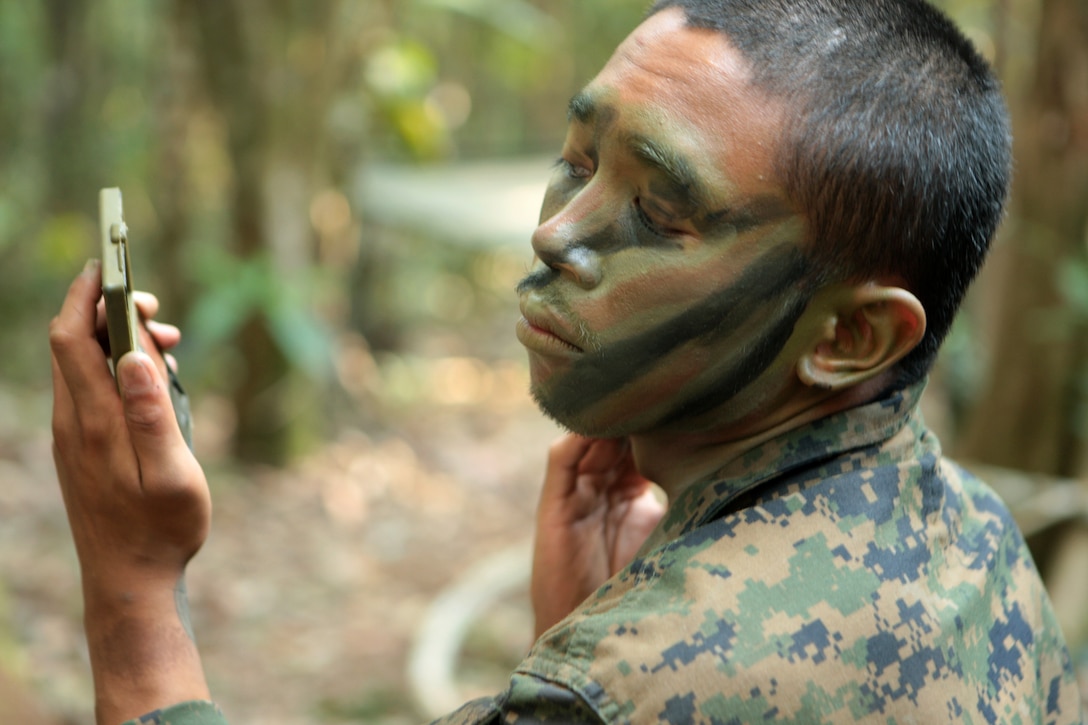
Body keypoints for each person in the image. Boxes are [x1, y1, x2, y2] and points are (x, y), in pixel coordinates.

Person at [49, 0, 1084, 723]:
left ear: (848, 337)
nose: (556, 234)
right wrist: (594, 626)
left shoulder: (621, 689)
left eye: (662, 210)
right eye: (578, 158)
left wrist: (133, 591)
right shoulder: (972, 535)